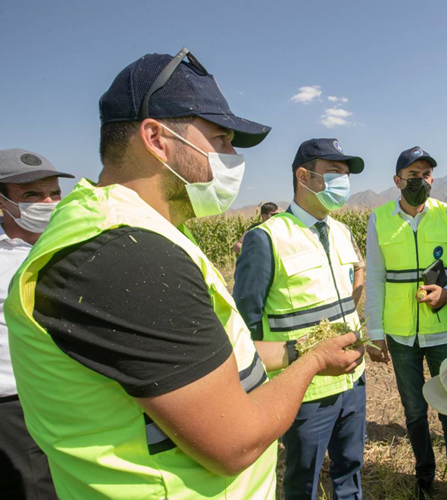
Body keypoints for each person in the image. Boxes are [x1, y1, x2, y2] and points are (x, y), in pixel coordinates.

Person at [5, 48, 363, 500]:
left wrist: (297, 350)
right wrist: (312, 364)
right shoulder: (122, 254)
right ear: (156, 138)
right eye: (220, 139)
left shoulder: (140, 233)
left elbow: (201, 356)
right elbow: (236, 441)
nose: (232, 158)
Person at [233, 138, 367, 500]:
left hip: (353, 380)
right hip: (303, 389)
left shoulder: (341, 232)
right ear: (304, 176)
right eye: (334, 172)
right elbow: (245, 325)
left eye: (346, 174)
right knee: (302, 479)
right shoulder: (266, 239)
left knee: (350, 469)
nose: (343, 181)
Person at [365, 146, 447, 500]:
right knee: (414, 411)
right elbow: (376, 278)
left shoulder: (446, 215)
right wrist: (375, 332)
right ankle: (424, 475)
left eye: (426, 174)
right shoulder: (379, 218)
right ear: (397, 180)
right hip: (399, 335)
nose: (420, 180)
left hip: (441, 330)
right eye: (413, 175)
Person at [0, 149, 73, 499]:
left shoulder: (73, 241)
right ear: (2, 201)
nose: (47, 202)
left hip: (72, 396)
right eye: (31, 195)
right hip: (15, 406)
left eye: (54, 192)